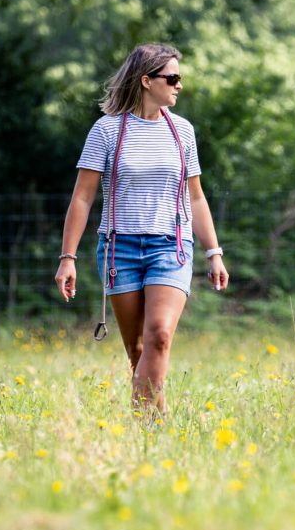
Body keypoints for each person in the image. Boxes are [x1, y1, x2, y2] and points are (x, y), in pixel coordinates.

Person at [54, 43, 228, 416]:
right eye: (173, 77)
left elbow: (195, 198)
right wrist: (67, 257)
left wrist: (214, 252)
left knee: (160, 335)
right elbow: (82, 198)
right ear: (146, 81)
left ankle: (145, 425)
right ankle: (155, 421)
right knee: (137, 349)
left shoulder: (182, 132)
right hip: (120, 250)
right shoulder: (106, 131)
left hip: (171, 246)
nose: (179, 85)